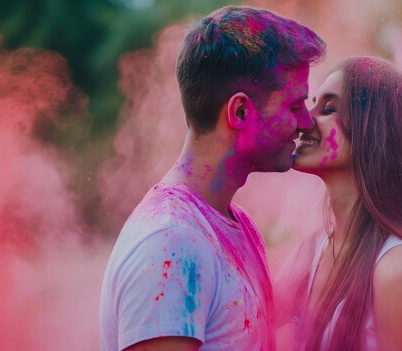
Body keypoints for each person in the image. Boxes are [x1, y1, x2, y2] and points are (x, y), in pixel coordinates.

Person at [99, 6, 325, 351]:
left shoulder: (234, 224)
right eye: (294, 105)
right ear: (241, 112)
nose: (306, 122)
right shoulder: (171, 244)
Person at [288, 56, 402, 350]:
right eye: (313, 103)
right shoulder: (312, 251)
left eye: (328, 108)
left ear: (375, 133)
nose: (304, 119)